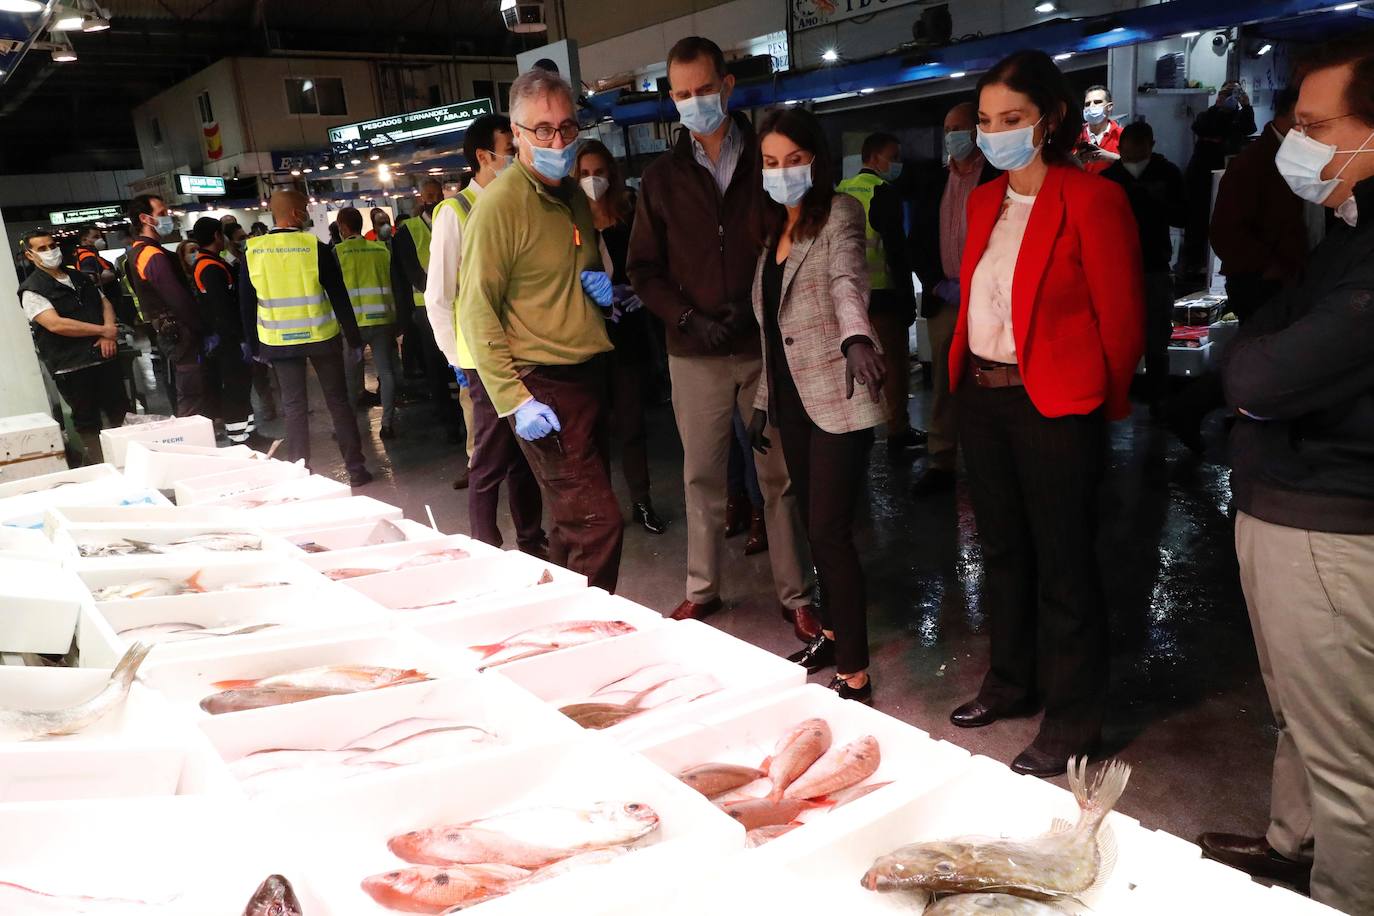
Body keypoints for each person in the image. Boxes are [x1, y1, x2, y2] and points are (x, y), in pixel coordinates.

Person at [1198, 36, 1374, 914]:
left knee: (1350, 760)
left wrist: (1252, 365)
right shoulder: (1348, 227)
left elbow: (1257, 374)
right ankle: (1291, 849)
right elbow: (1272, 326)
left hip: (1332, 518)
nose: (1294, 144)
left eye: (1314, 126)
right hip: (1287, 496)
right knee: (1298, 713)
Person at [946, 50, 1145, 778]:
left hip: (1055, 404)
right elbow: (978, 300)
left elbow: (1122, 320)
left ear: (1050, 119)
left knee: (1066, 568)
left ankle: (1072, 720)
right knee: (1001, 552)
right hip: (983, 396)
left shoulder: (1091, 198)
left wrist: (1103, 405)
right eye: (987, 121)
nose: (996, 134)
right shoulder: (981, 200)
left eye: (1013, 119)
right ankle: (1010, 679)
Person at [628, 36, 816, 635]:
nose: (694, 102)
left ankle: (797, 595)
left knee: (778, 477)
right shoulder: (660, 178)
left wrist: (750, 307)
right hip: (694, 353)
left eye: (704, 89)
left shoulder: (766, 159)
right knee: (702, 475)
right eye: (681, 94)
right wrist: (688, 319)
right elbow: (643, 271)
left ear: (727, 86)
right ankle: (701, 590)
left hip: (762, 347)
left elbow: (790, 237)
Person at [457, 68, 624, 591]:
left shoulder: (572, 195)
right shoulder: (500, 207)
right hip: (544, 387)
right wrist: (513, 398)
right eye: (543, 131)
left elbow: (575, 267)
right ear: (518, 131)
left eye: (568, 128)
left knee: (571, 526)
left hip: (588, 374)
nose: (558, 141)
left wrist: (599, 284)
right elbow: (474, 308)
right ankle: (591, 638)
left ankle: (559, 634)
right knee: (598, 525)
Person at [748, 108, 886, 703]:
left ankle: (854, 668)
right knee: (814, 526)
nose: (782, 173)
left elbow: (846, 282)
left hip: (840, 396)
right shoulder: (773, 231)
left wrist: (857, 337)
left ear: (817, 161)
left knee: (830, 531)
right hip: (791, 403)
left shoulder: (840, 216)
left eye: (794, 160)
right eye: (771, 163)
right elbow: (774, 332)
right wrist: (759, 402)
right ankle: (830, 633)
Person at [427, 114, 546, 553]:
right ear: (484, 156)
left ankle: (532, 540)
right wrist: (457, 360)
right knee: (489, 460)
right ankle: (486, 547)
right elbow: (438, 296)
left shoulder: (519, 204)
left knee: (523, 457)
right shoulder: (454, 213)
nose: (516, 159)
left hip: (522, 353)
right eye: (509, 151)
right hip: (480, 360)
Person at [1168, 88, 1307, 453]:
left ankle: (1210, 409)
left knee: (1263, 353)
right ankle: (1193, 407)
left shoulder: (1286, 156)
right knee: (1263, 353)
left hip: (1283, 273)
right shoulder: (1256, 161)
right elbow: (1225, 231)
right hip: (1262, 279)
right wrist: (1270, 267)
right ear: (1290, 115)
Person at [240, 190, 372, 487]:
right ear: (296, 213)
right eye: (305, 208)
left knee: (293, 407)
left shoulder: (253, 252)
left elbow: (246, 304)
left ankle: (301, 472)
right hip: (321, 338)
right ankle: (356, 469)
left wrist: (253, 345)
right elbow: (339, 296)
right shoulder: (315, 247)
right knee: (338, 402)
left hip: (278, 341)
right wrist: (352, 338)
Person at [576, 140, 668, 535]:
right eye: (583, 174)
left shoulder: (629, 219)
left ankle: (641, 500)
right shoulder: (569, 221)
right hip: (585, 338)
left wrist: (637, 294)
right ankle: (601, 510)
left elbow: (650, 266)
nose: (591, 180)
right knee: (592, 431)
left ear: (611, 174)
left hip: (627, 335)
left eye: (598, 172)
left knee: (631, 425)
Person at [910, 101, 1001, 496]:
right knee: (946, 383)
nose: (953, 136)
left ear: (978, 131)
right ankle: (941, 460)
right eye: (948, 128)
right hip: (946, 298)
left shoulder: (999, 177)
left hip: (991, 301)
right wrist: (935, 283)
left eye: (960, 127)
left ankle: (991, 462)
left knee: (991, 382)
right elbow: (918, 240)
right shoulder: (933, 181)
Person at [836, 131, 922, 459]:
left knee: (857, 368)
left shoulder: (841, 190)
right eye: (894, 156)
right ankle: (898, 432)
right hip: (884, 296)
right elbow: (896, 251)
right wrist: (906, 301)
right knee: (892, 368)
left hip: (851, 298)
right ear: (873, 158)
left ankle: (861, 433)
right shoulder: (883, 192)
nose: (898, 164)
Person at [17, 229, 130, 461]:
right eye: (42, 249)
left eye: (51, 246)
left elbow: (104, 302)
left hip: (104, 355)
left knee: (121, 411)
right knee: (87, 420)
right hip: (72, 365)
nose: (50, 252)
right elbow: (56, 324)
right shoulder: (32, 289)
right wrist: (102, 330)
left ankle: (129, 458)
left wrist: (109, 334)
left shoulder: (78, 276)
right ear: (30, 256)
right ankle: (100, 466)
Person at [1101, 121, 1186, 417]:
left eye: (1139, 145)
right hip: (1114, 269)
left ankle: (1158, 401)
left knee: (1157, 336)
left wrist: (1154, 200)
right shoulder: (1108, 178)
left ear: (1151, 145)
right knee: (1115, 336)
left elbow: (1183, 215)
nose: (1133, 151)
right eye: (1128, 145)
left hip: (1154, 265)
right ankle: (1114, 398)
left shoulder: (1166, 174)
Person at [395, 177, 467, 453]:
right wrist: (437, 290)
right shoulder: (409, 230)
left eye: (437, 194)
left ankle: (465, 415)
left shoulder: (453, 218)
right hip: (427, 309)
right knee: (437, 366)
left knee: (463, 362)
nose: (433, 199)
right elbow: (410, 271)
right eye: (428, 195)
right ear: (419, 197)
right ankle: (450, 424)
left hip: (460, 303)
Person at [125, 194, 208, 417]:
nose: (167, 217)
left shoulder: (140, 252)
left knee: (189, 392)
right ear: (145, 218)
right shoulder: (151, 255)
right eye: (161, 213)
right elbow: (177, 298)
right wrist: (201, 327)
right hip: (181, 335)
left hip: (173, 333)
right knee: (191, 396)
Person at [333, 207, 400, 439]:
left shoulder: (337, 253)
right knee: (387, 372)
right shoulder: (381, 250)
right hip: (382, 320)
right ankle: (388, 424)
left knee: (350, 376)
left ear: (342, 227)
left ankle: (348, 426)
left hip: (352, 326)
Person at [189, 217, 255, 446]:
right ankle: (239, 438)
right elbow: (222, 308)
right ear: (217, 236)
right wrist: (239, 339)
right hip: (228, 340)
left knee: (242, 384)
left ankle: (248, 432)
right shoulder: (210, 267)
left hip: (226, 337)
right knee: (236, 386)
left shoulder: (208, 262)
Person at [1182, 81, 1258, 278]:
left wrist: (1247, 105)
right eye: (1227, 92)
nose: (1231, 96)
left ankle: (1221, 264)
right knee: (1197, 218)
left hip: (1228, 172)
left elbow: (1249, 128)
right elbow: (1200, 127)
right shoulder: (1208, 114)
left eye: (1235, 92)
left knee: (1225, 216)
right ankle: (1193, 264)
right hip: (1201, 173)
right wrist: (1219, 106)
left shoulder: (1239, 116)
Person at [72, 224, 132, 325]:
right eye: (95, 237)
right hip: (105, 303)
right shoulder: (86, 257)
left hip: (111, 301)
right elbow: (89, 279)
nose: (100, 239)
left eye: (100, 236)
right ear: (84, 239)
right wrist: (113, 274)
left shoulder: (92, 255)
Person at [1075, 85, 1122, 174]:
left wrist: (1112, 157)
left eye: (1097, 102)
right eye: (1087, 104)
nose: (1091, 106)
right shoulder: (1074, 136)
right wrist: (1075, 160)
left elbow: (1135, 168)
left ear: (1110, 107)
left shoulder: (1123, 135)